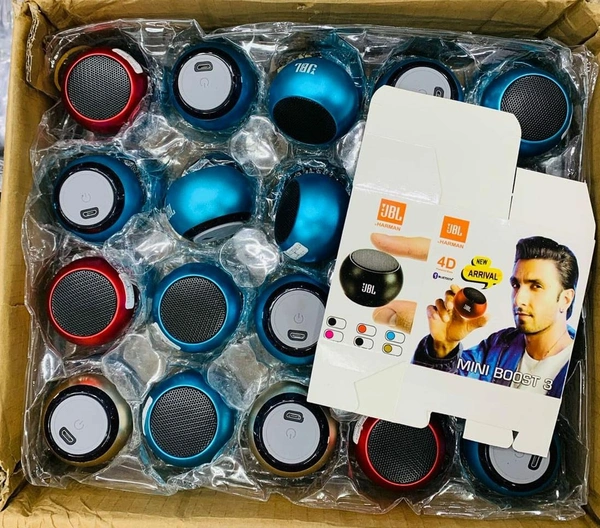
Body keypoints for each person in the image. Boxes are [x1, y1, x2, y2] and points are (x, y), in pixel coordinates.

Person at [370, 233, 578, 398]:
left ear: (566, 299)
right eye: (516, 285)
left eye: (536, 286)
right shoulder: (500, 345)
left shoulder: (579, 367)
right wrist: (443, 348)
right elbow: (437, 397)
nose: (518, 299)